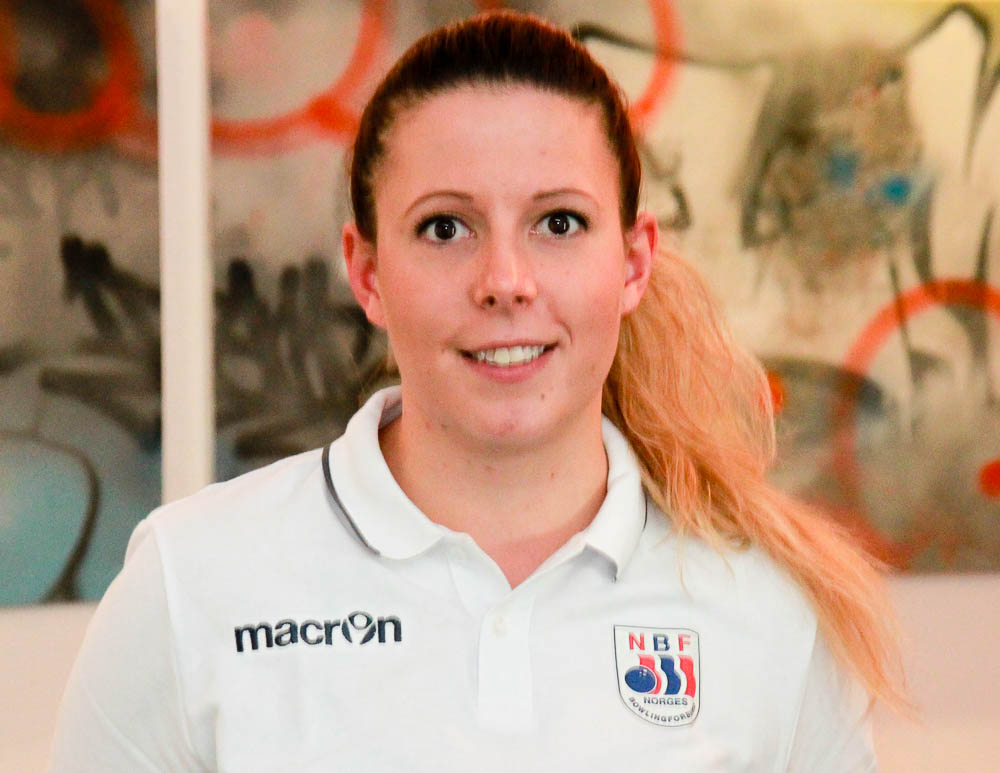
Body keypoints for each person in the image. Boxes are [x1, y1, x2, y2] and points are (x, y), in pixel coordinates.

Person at [49, 11, 904, 771]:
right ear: (368, 272)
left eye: (559, 222)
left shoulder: (768, 611)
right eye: (445, 227)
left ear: (633, 261)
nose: (505, 281)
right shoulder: (190, 586)